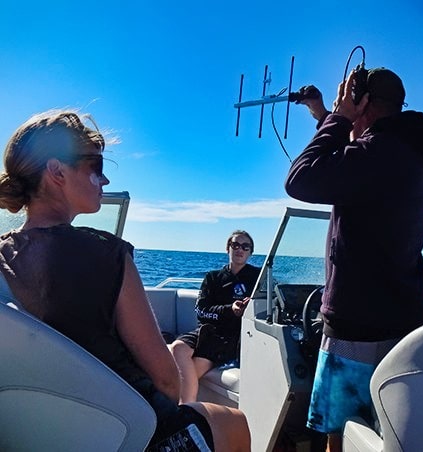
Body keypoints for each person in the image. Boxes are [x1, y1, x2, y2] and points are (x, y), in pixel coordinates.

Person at [0, 110, 251, 452]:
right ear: (57, 171)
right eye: (96, 167)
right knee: (235, 422)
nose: (104, 181)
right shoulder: (108, 254)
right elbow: (166, 380)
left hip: (42, 433)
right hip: (124, 430)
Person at [285, 68, 423, 451]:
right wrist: (324, 114)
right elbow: (355, 161)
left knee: (338, 433)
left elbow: (301, 179)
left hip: (357, 326)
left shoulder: (377, 152)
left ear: (364, 105)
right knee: (384, 430)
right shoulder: (411, 150)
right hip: (402, 318)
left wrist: (338, 119)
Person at [169, 231, 260, 403]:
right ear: (228, 248)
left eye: (245, 247)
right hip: (207, 330)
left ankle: (185, 412)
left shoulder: (258, 278)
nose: (240, 249)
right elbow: (201, 309)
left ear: (250, 252)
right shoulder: (213, 277)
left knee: (188, 375)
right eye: (235, 245)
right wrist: (229, 310)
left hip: (231, 337)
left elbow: (271, 303)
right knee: (177, 347)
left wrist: (252, 305)